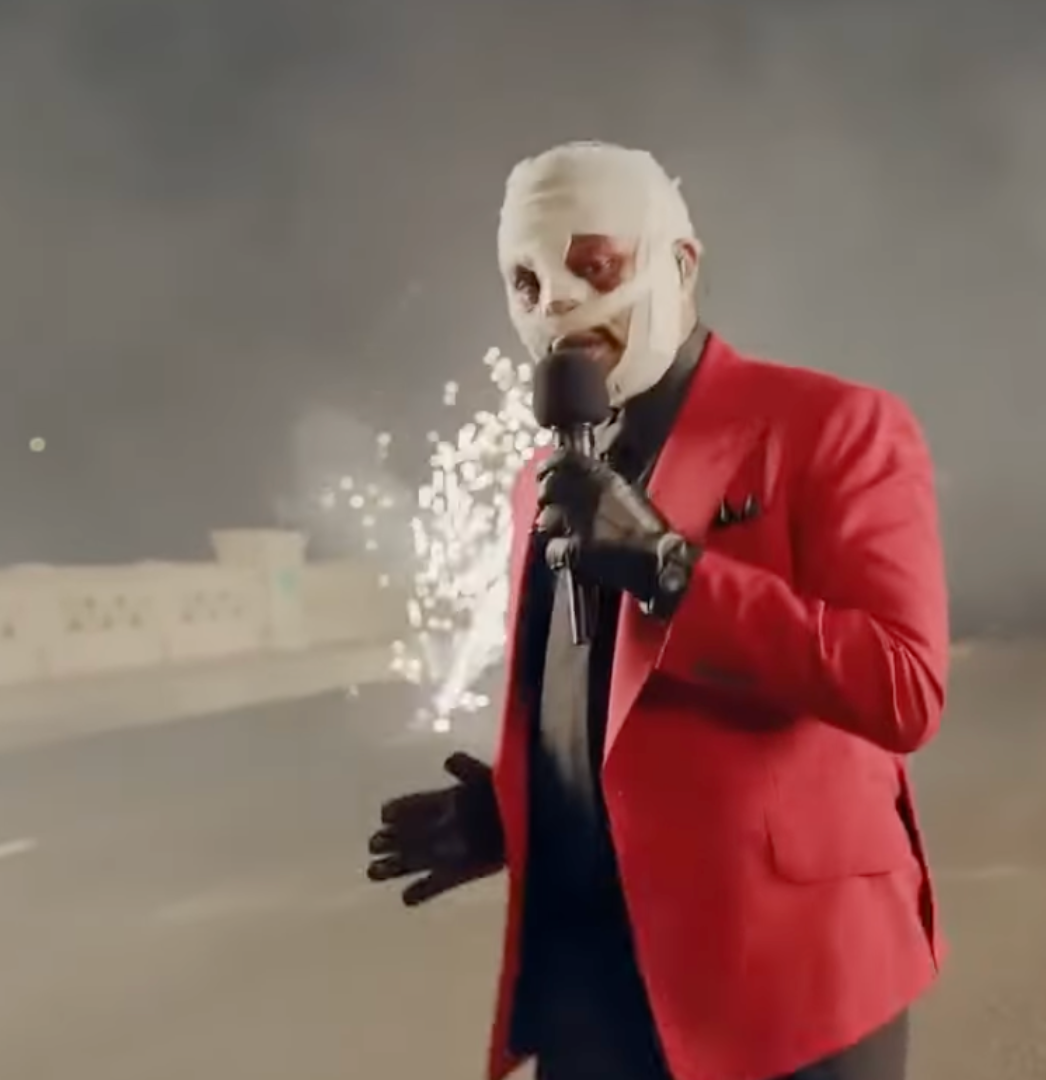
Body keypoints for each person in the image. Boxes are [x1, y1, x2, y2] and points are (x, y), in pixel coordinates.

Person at [366, 141, 949, 1080]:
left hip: (796, 984)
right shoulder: (538, 482)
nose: (556, 303)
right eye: (526, 281)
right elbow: (596, 704)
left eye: (595, 265)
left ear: (680, 264)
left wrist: (672, 570)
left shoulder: (834, 425)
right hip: (593, 986)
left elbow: (903, 689)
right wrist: (520, 812)